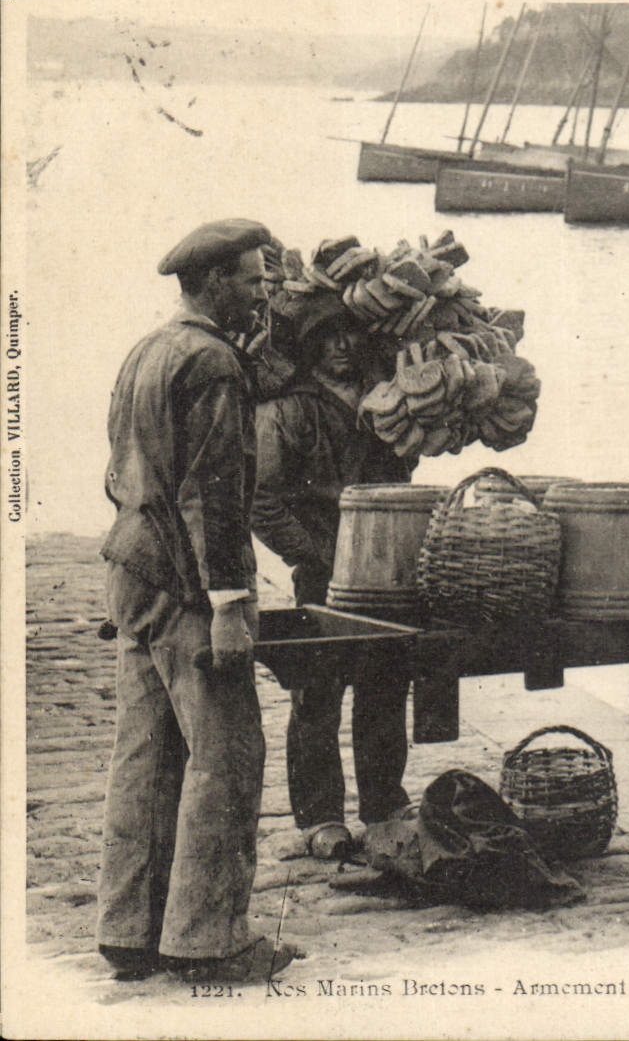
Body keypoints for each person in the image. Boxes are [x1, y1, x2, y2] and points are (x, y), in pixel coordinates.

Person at [98, 219, 302, 983]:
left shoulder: (146, 350)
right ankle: (210, 941)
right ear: (214, 282)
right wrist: (227, 603)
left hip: (132, 572)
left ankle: (129, 932)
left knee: (145, 757)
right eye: (253, 279)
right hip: (187, 588)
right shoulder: (214, 364)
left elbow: (120, 469)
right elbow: (214, 496)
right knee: (225, 755)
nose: (264, 291)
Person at [252, 296, 416, 860]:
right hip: (323, 575)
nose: (342, 345)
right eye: (328, 336)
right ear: (310, 347)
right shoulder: (289, 411)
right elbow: (264, 501)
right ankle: (321, 817)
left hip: (386, 573)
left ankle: (384, 806)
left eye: (351, 334)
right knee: (317, 695)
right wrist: (314, 557)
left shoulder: (387, 402)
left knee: (386, 687)